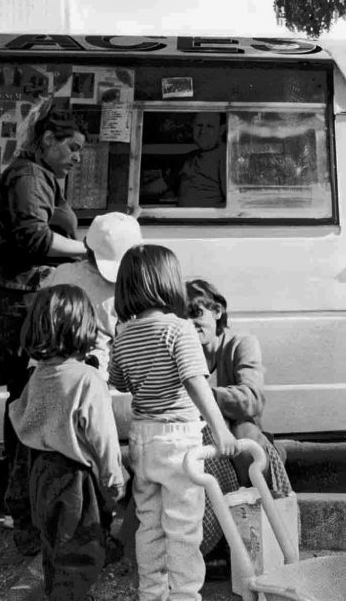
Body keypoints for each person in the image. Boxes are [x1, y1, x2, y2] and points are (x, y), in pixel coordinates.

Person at [0, 97, 87, 551]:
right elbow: (32, 236)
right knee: (28, 402)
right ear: (47, 141)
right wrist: (88, 251)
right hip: (17, 301)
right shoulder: (29, 176)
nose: (78, 157)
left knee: (26, 400)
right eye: (73, 148)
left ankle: (25, 512)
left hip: (20, 297)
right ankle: (24, 517)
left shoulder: (38, 174)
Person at [108, 244, 238, 601]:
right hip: (179, 438)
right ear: (166, 283)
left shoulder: (124, 334)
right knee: (183, 526)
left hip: (142, 439)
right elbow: (195, 382)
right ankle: (184, 595)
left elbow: (118, 381)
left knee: (149, 523)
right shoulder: (179, 329)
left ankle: (151, 593)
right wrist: (221, 429)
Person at [9, 285, 128, 601]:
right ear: (84, 326)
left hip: (40, 472)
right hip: (75, 479)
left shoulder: (38, 375)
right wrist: (114, 480)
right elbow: (103, 438)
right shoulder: (88, 379)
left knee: (54, 548)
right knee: (79, 551)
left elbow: (19, 416)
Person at [185, 279, 292, 554]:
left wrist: (203, 395)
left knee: (246, 438)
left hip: (239, 439)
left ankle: (256, 530)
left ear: (217, 311)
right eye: (182, 317)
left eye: (196, 313)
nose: (191, 324)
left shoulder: (241, 344)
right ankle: (210, 544)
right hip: (201, 438)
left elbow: (252, 399)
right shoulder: (182, 350)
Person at [41, 212, 143, 372]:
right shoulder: (126, 289)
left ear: (86, 245)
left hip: (48, 368)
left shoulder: (60, 273)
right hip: (95, 373)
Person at [177, 112, 226, 208]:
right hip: (182, 220)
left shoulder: (225, 157)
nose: (203, 131)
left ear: (221, 130)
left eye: (210, 126)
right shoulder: (191, 157)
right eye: (199, 125)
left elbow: (235, 204)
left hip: (205, 221)